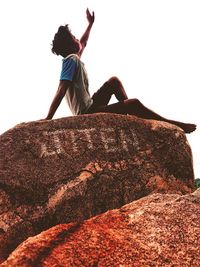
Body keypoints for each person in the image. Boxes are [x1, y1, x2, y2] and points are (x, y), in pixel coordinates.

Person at [45, 8, 196, 134]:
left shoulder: (74, 59)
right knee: (133, 103)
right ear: (69, 45)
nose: (77, 38)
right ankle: (172, 124)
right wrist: (48, 118)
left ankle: (131, 116)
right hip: (86, 113)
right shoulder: (70, 60)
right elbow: (61, 89)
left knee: (113, 82)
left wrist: (90, 24)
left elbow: (83, 43)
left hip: (91, 105)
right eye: (73, 37)